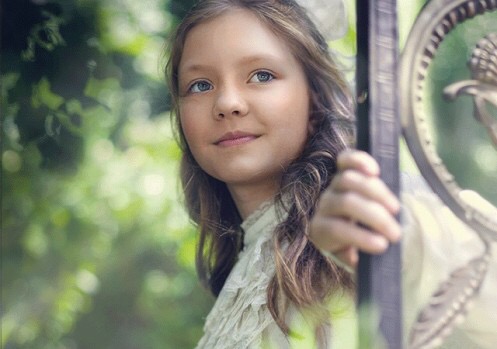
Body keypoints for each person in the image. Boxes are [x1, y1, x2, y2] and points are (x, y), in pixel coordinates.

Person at [165, 0, 497, 348]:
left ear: (315, 98)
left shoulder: (376, 204)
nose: (227, 102)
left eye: (262, 75)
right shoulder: (240, 275)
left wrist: (404, 240)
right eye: (200, 85)